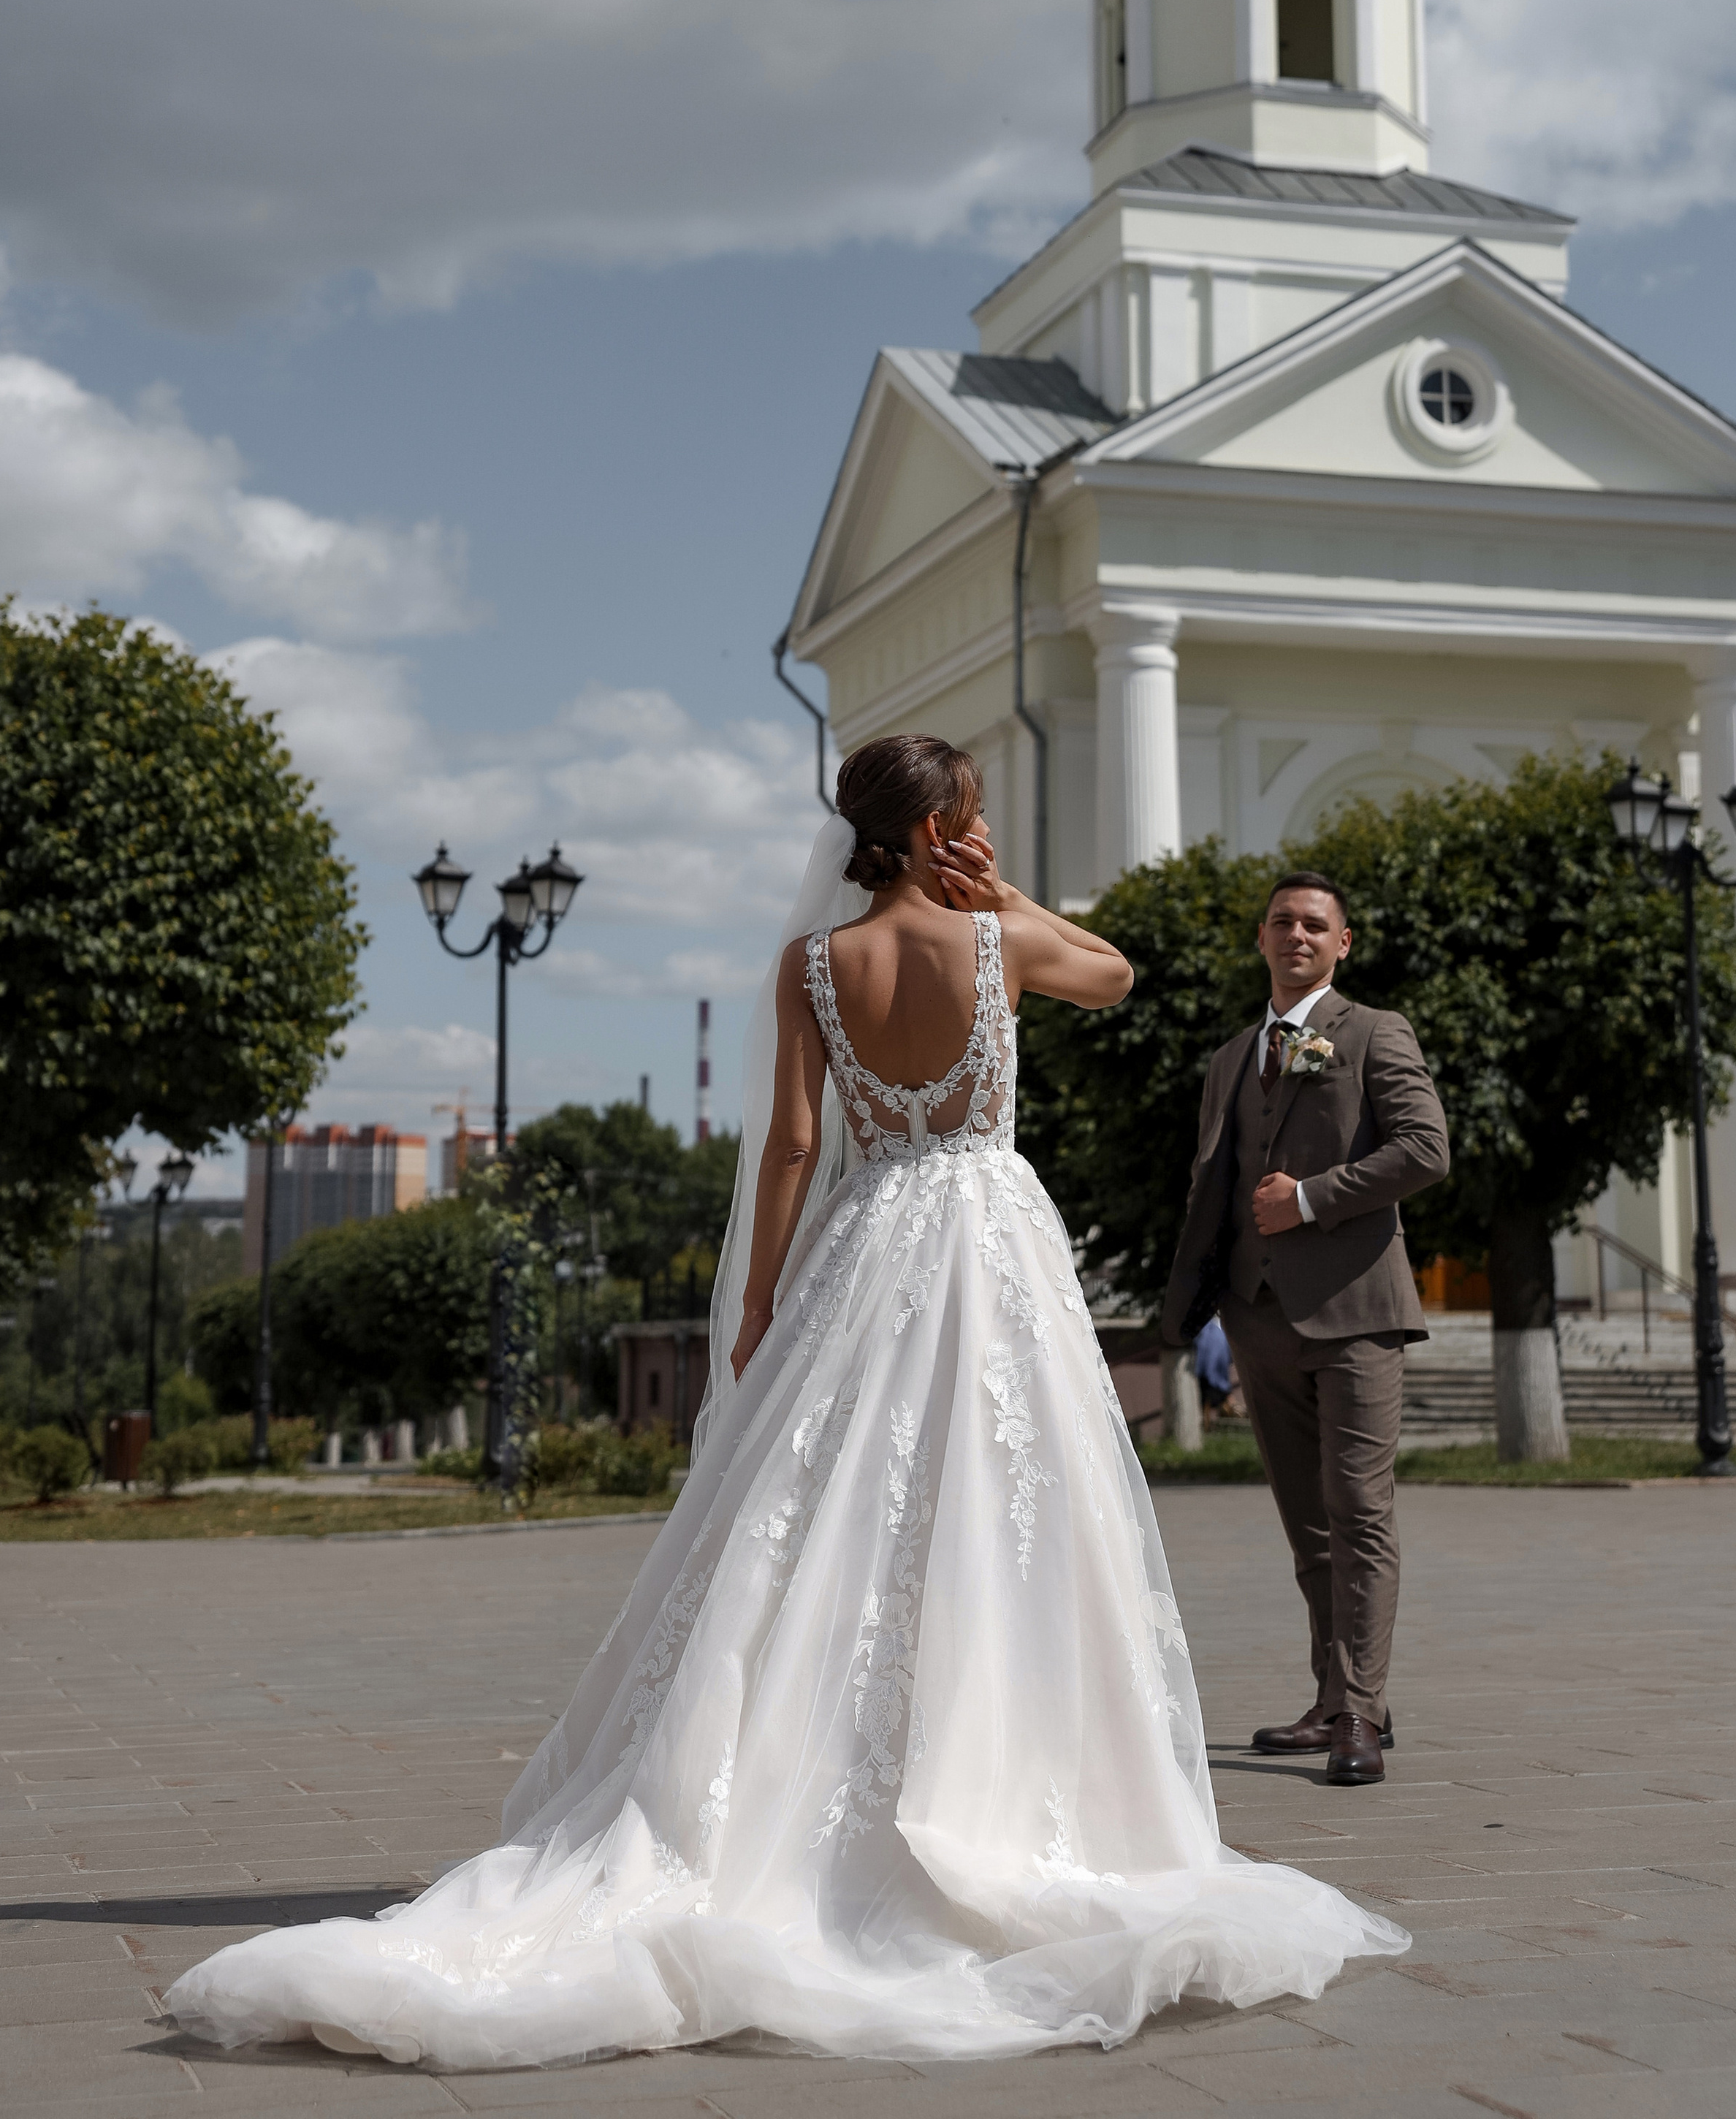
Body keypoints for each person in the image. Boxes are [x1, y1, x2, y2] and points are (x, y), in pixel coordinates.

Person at [166, 745, 1405, 2072]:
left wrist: (760, 1303)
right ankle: (1017, 1785)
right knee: (1010, 1510)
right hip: (990, 1244)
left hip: (865, 1248)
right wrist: (1007, 896)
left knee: (821, 1515)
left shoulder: (813, 966)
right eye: (969, 815)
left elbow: (798, 1146)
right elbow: (1115, 974)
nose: (977, 830)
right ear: (940, 829)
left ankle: (779, 1785)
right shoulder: (996, 949)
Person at [1161, 872, 1449, 1789]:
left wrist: (1313, 1199)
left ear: (1342, 944)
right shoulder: (1230, 1057)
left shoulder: (1373, 1033)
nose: (1297, 934)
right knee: (1309, 1529)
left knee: (1361, 1515)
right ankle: (1332, 1695)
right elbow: (1215, 1184)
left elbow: (1424, 1149)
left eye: (1314, 924)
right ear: (1261, 937)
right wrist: (1196, 1300)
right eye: (1282, 921)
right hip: (1259, 1315)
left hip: (1357, 1311)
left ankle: (1361, 1712)